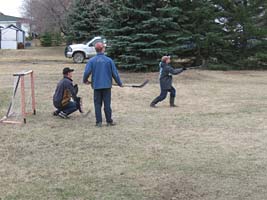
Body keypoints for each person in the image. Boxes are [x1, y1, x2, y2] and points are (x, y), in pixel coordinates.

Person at [83, 42, 123, 127]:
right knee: (107, 104)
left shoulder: (91, 61)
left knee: (97, 104)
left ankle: (99, 122)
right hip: (107, 86)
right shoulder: (109, 60)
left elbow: (86, 72)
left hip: (96, 86)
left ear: (96, 50)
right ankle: (109, 121)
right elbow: (115, 73)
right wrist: (119, 83)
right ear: (103, 49)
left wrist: (85, 80)